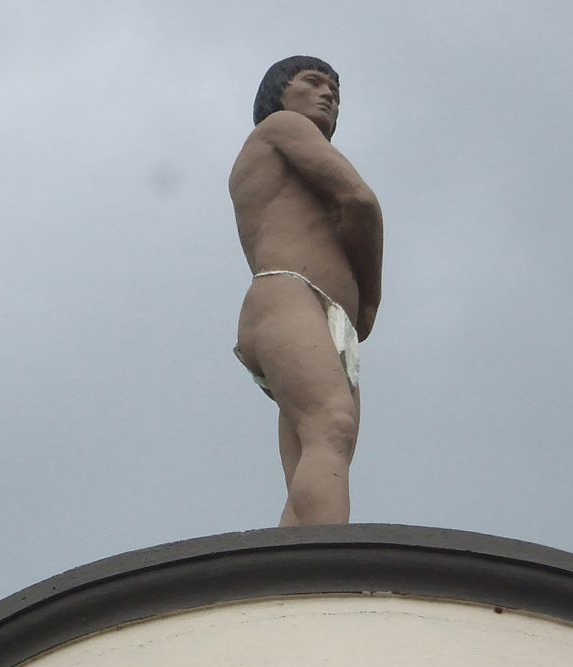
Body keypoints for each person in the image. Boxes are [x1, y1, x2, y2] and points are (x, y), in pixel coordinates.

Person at [230, 56, 383, 526]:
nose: (328, 94)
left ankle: (295, 559)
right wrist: (371, 299)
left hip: (323, 314)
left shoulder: (297, 166)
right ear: (279, 94)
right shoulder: (283, 125)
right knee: (332, 424)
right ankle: (330, 560)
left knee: (322, 448)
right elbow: (360, 201)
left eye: (335, 90)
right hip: (289, 295)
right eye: (313, 82)